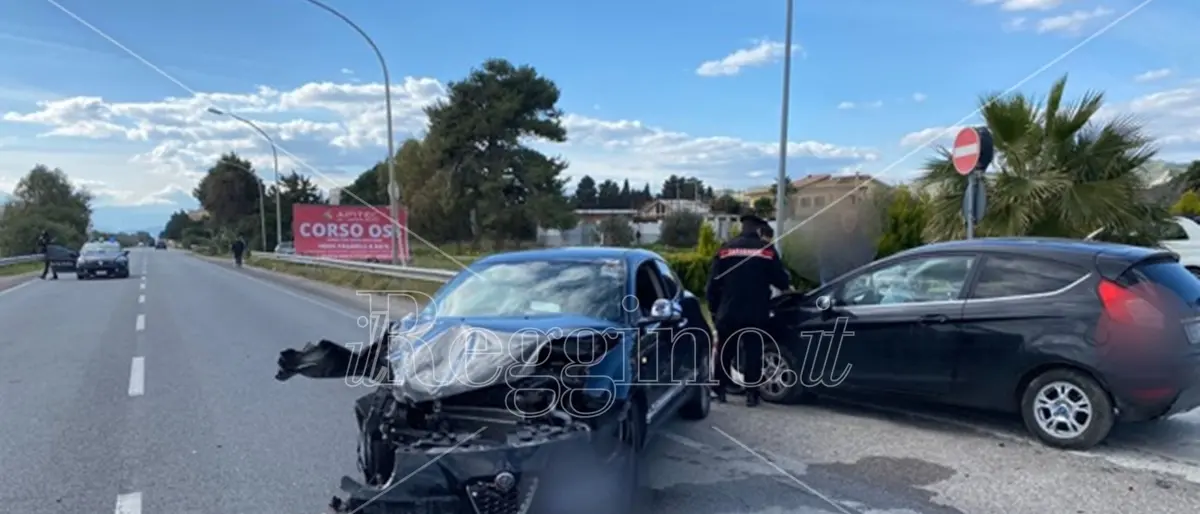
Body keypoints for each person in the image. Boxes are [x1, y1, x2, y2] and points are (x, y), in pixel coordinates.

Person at [705, 214, 791, 407]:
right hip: (756, 312)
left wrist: (714, 310)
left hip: (728, 311)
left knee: (725, 351)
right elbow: (782, 281)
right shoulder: (766, 251)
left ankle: (719, 390)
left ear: (742, 228)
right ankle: (752, 395)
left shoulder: (725, 250)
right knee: (754, 351)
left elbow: (712, 285)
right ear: (759, 229)